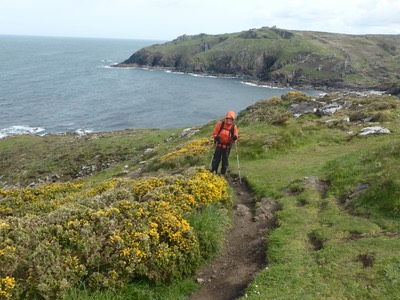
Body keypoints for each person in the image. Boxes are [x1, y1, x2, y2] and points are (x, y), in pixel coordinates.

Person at [211, 111, 238, 175]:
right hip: (219, 145)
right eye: (228, 119)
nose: (229, 120)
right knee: (216, 159)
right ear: (226, 118)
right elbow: (215, 133)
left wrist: (235, 138)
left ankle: (223, 173)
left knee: (225, 161)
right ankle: (213, 171)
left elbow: (236, 136)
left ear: (233, 120)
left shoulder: (234, 127)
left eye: (231, 119)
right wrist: (216, 137)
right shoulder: (220, 124)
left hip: (227, 147)